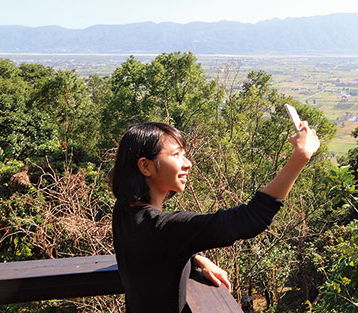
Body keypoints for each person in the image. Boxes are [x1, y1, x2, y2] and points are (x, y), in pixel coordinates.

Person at [111, 120, 320, 313]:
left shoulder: (124, 211)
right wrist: (300, 157)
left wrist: (196, 258)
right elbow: (251, 218)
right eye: (176, 155)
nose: (188, 163)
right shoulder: (166, 229)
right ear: (145, 166)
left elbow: (159, 248)